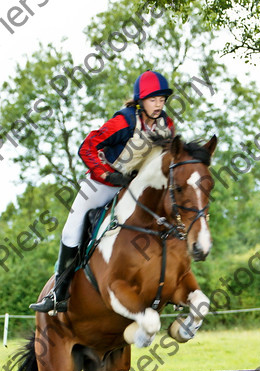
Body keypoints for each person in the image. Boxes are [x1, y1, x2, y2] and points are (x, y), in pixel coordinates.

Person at [30, 70, 175, 314]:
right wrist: (106, 174)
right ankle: (58, 294)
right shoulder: (124, 121)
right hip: (101, 185)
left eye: (162, 99)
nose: (159, 104)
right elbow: (87, 147)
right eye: (153, 99)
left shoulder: (165, 124)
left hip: (132, 188)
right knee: (70, 230)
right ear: (141, 100)